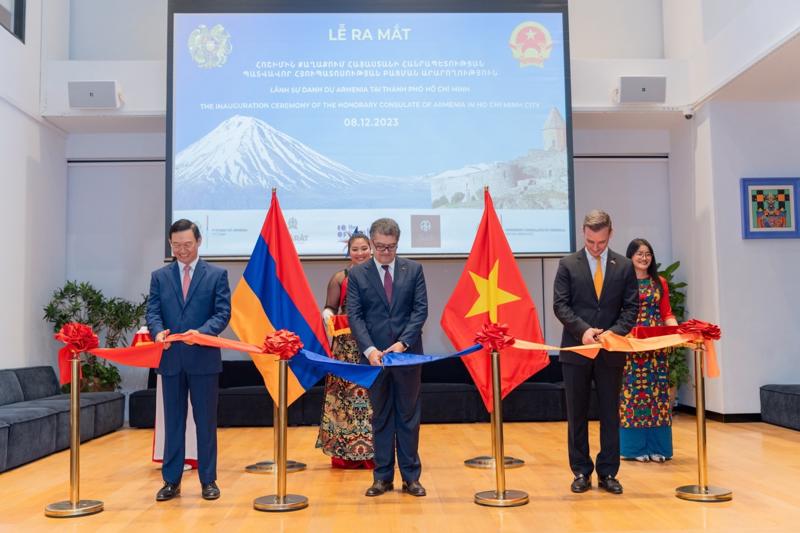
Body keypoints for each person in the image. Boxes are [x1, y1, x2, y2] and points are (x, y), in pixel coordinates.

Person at [553, 210, 639, 495]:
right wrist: (583, 331)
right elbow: (560, 305)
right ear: (583, 233)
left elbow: (631, 308)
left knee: (609, 413)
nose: (595, 247)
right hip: (578, 349)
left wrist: (613, 332)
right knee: (576, 413)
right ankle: (580, 470)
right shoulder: (568, 264)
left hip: (611, 350)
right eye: (590, 242)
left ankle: (608, 472)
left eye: (600, 242)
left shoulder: (624, 266)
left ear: (610, 234)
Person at [146, 219, 231, 502]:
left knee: (205, 422)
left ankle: (209, 480)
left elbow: (222, 313)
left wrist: (203, 333)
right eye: (176, 245)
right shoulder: (159, 276)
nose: (182, 250)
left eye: (187, 244)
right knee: (173, 422)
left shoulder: (216, 275)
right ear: (170, 244)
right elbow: (153, 311)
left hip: (203, 359)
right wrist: (158, 332)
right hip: (170, 359)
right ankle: (171, 481)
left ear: (199, 242)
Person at [346, 218, 428, 497]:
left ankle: (411, 477)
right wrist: (369, 350)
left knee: (408, 416)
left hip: (406, 356)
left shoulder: (413, 270)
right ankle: (382, 477)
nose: (385, 252)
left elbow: (420, 311)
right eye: (379, 247)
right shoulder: (357, 275)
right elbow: (354, 316)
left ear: (397, 244)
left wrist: (403, 343)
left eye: (390, 247)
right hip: (374, 358)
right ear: (371, 244)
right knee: (380, 416)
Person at [316, 231, 376, 469]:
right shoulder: (340, 277)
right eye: (355, 249)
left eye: (364, 248)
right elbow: (329, 307)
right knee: (344, 401)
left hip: (373, 347)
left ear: (371, 249)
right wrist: (329, 318)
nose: (360, 253)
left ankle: (375, 453)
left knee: (374, 400)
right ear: (349, 252)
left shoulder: (380, 276)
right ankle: (343, 454)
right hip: (345, 348)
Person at [619, 238, 678, 463]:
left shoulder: (659, 282)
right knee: (632, 395)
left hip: (656, 347)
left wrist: (676, 332)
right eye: (639, 254)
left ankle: (658, 448)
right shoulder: (621, 281)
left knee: (658, 395)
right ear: (630, 256)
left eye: (648, 254)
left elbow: (667, 313)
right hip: (631, 345)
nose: (644, 258)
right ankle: (633, 449)